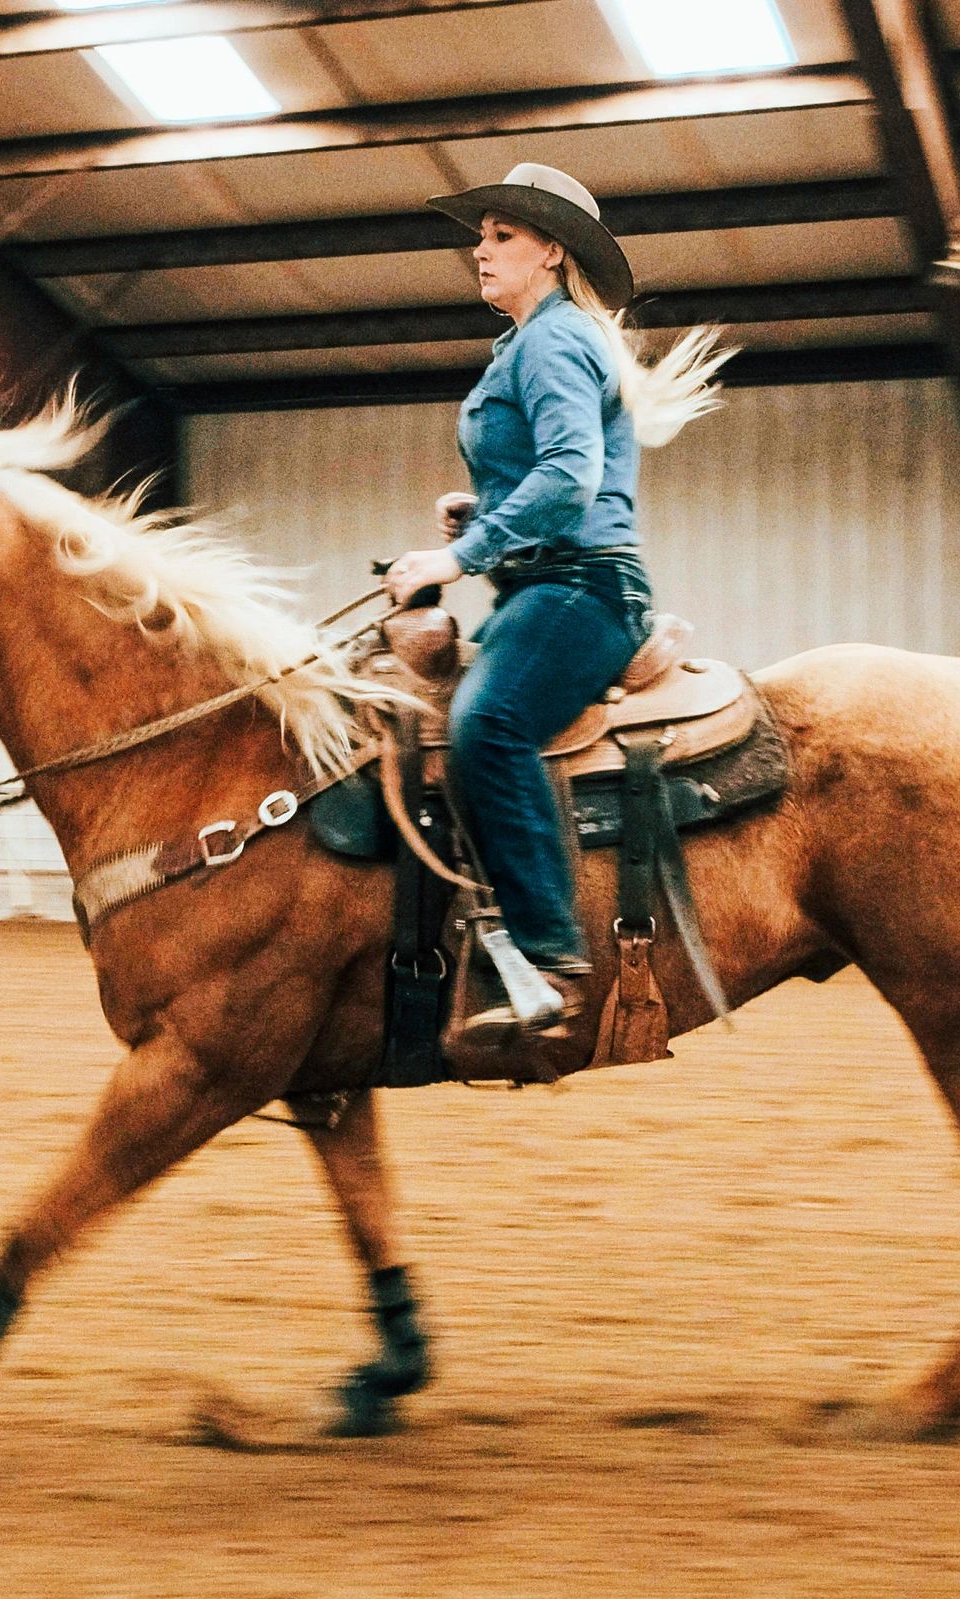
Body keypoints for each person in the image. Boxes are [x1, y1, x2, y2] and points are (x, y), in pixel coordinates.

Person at [383, 162, 730, 1044]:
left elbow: (573, 479)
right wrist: (483, 514)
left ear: (551, 250)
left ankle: (550, 962)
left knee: (484, 726)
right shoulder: (530, 341)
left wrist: (460, 553)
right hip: (543, 584)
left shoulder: (553, 339)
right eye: (482, 235)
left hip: (582, 590)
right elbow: (553, 474)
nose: (481, 251)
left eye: (502, 237)